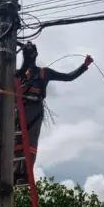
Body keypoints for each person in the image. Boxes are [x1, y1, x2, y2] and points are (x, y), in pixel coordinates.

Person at [14, 42, 93, 183]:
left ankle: (25, 173)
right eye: (28, 54)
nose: (30, 56)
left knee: (30, 142)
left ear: (36, 55)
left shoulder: (44, 73)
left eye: (32, 53)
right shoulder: (18, 75)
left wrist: (84, 66)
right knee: (16, 141)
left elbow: (68, 77)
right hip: (19, 111)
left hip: (35, 110)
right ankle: (14, 171)